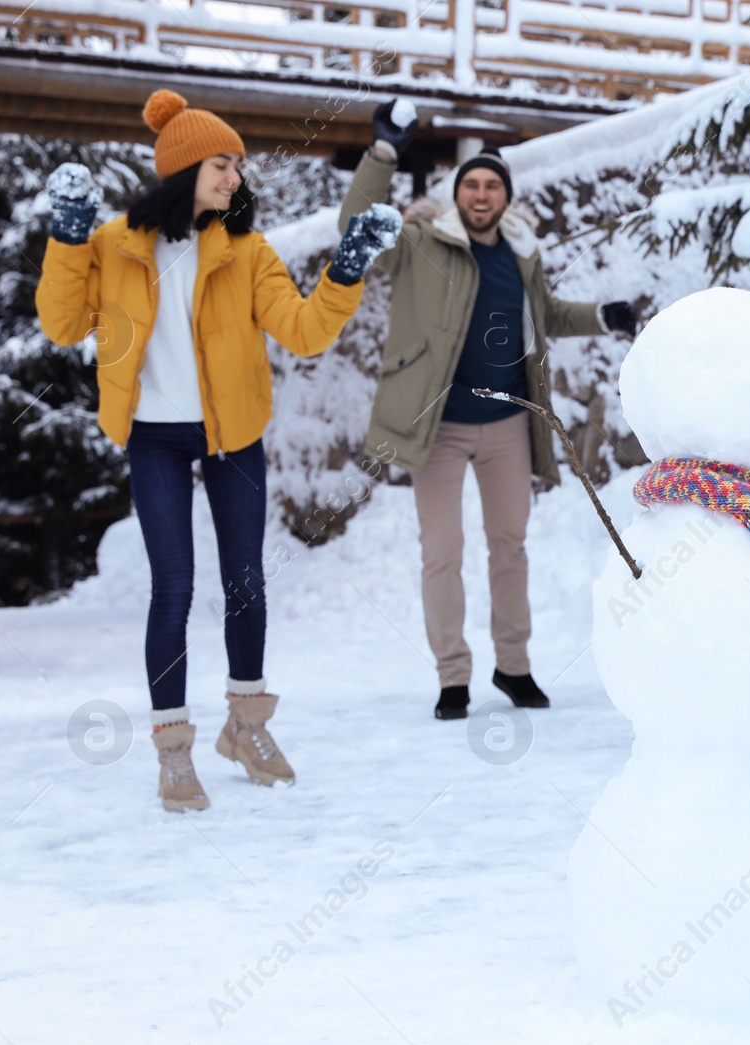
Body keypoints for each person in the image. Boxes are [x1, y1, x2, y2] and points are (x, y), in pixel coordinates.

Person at [36, 89, 401, 812]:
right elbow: (63, 322)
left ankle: (245, 725)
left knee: (245, 582)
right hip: (153, 438)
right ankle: (174, 750)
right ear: (183, 166)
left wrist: (348, 267)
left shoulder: (245, 250)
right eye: (222, 163)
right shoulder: (113, 245)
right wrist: (69, 238)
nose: (235, 176)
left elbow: (302, 331)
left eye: (237, 165)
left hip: (231, 433)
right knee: (172, 586)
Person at [338, 99, 638, 721]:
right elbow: (355, 227)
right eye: (471, 184)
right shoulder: (420, 242)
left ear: (504, 195)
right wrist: (383, 154)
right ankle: (453, 677)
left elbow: (545, 316)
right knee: (441, 551)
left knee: (510, 545)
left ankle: (514, 667)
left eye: (491, 184)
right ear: (457, 195)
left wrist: (603, 318)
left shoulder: (521, 254)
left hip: (506, 425)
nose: (481, 193)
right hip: (437, 428)